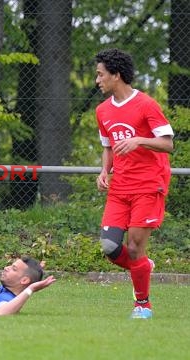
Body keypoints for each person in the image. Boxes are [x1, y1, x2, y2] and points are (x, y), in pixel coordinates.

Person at [94, 49, 174, 319]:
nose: (97, 80)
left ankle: (143, 305)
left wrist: (139, 140)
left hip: (149, 185)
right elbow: (108, 147)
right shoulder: (102, 111)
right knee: (109, 246)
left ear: (116, 75)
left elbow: (167, 143)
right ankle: (143, 267)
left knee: (135, 247)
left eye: (100, 74)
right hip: (120, 188)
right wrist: (105, 171)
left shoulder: (147, 105)